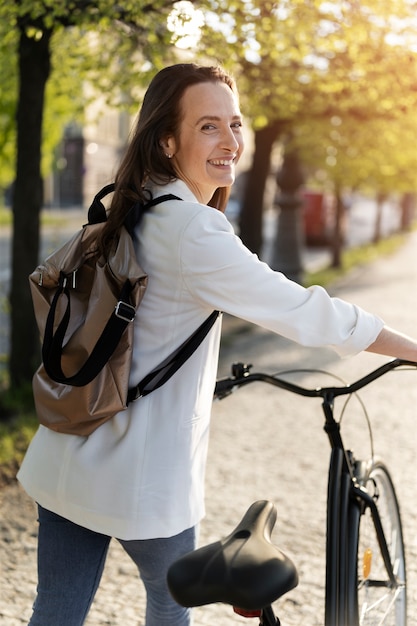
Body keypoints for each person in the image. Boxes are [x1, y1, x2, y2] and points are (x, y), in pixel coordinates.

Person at [18, 63, 417, 626]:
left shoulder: (126, 206)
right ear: (166, 139)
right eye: (209, 126)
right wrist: (410, 347)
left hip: (66, 454)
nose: (230, 141)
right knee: (170, 603)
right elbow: (307, 312)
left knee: (55, 613)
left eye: (234, 123)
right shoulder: (193, 231)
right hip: (141, 477)